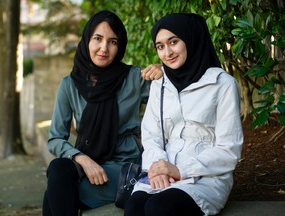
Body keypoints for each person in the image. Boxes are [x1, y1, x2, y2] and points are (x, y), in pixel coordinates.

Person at [42, 10, 163, 216]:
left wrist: (164, 71)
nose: (104, 48)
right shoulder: (69, 85)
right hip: (88, 160)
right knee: (59, 168)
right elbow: (55, 138)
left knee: (55, 195)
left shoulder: (134, 78)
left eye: (113, 42)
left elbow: (172, 97)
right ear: (87, 39)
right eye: (98, 39)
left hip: (125, 166)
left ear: (120, 46)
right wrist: (82, 159)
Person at [124, 13, 243, 216]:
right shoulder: (160, 83)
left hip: (206, 177)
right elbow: (151, 135)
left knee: (158, 208)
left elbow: (229, 149)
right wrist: (158, 167)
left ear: (190, 40)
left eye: (174, 42)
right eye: (160, 46)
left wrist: (180, 171)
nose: (167, 52)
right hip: (163, 170)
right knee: (134, 207)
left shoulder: (222, 84)